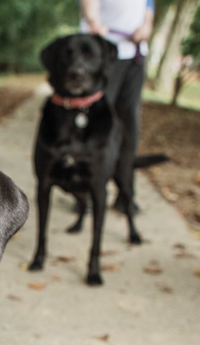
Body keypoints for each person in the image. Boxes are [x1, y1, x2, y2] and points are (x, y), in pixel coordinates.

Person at [80, 0, 154, 214]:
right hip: (102, 54)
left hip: (135, 56)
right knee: (95, 122)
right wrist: (93, 20)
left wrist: (146, 28)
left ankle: (126, 194)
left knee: (129, 126)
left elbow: (148, 7)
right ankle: (82, 190)